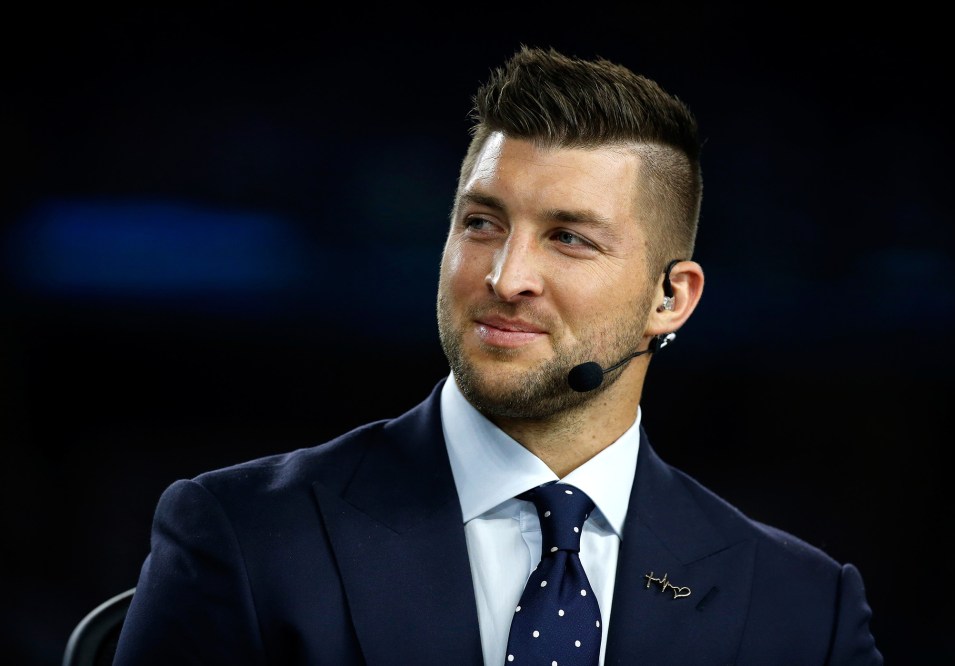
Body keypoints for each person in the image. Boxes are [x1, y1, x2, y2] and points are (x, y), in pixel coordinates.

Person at [112, 45, 883, 665]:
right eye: (481, 223)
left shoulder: (804, 611)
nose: (505, 277)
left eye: (569, 238)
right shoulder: (246, 538)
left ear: (671, 298)